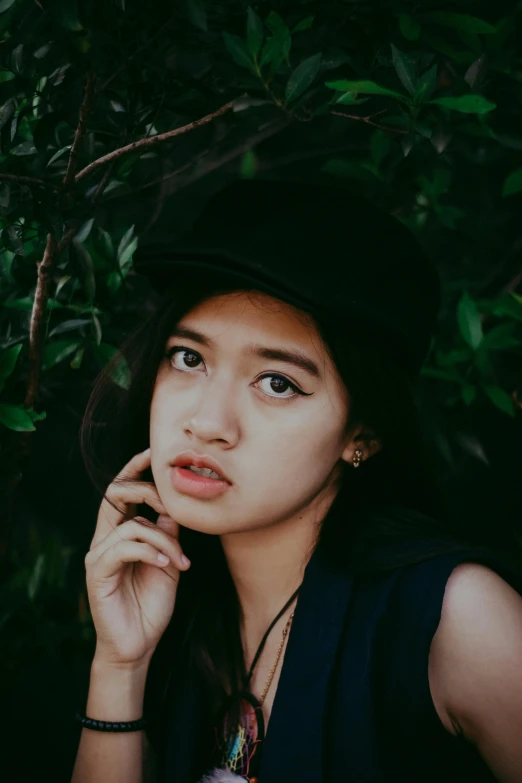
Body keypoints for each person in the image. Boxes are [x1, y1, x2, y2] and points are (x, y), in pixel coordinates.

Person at [71, 179, 522, 783]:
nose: (207, 422)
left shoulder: (455, 619)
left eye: (277, 382)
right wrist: (120, 666)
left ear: (361, 435)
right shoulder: (174, 601)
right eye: (188, 357)